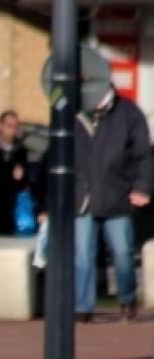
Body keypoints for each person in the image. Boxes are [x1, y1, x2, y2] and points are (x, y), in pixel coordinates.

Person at [72, 84, 153, 323]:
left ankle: (127, 299)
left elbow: (144, 154)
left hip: (117, 194)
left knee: (123, 253)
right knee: (83, 255)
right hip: (84, 196)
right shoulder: (78, 113)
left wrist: (142, 187)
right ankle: (82, 306)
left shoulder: (129, 113)